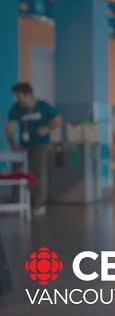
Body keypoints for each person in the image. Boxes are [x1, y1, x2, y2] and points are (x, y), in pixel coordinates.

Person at [6, 82, 62, 216]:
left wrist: (47, 128)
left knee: (39, 173)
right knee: (17, 171)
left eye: (19, 96)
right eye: (16, 96)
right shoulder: (16, 108)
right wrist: (14, 143)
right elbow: (9, 128)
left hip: (41, 144)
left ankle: (39, 204)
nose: (17, 99)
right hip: (23, 144)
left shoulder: (43, 106)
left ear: (28, 95)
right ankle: (15, 204)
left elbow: (57, 121)